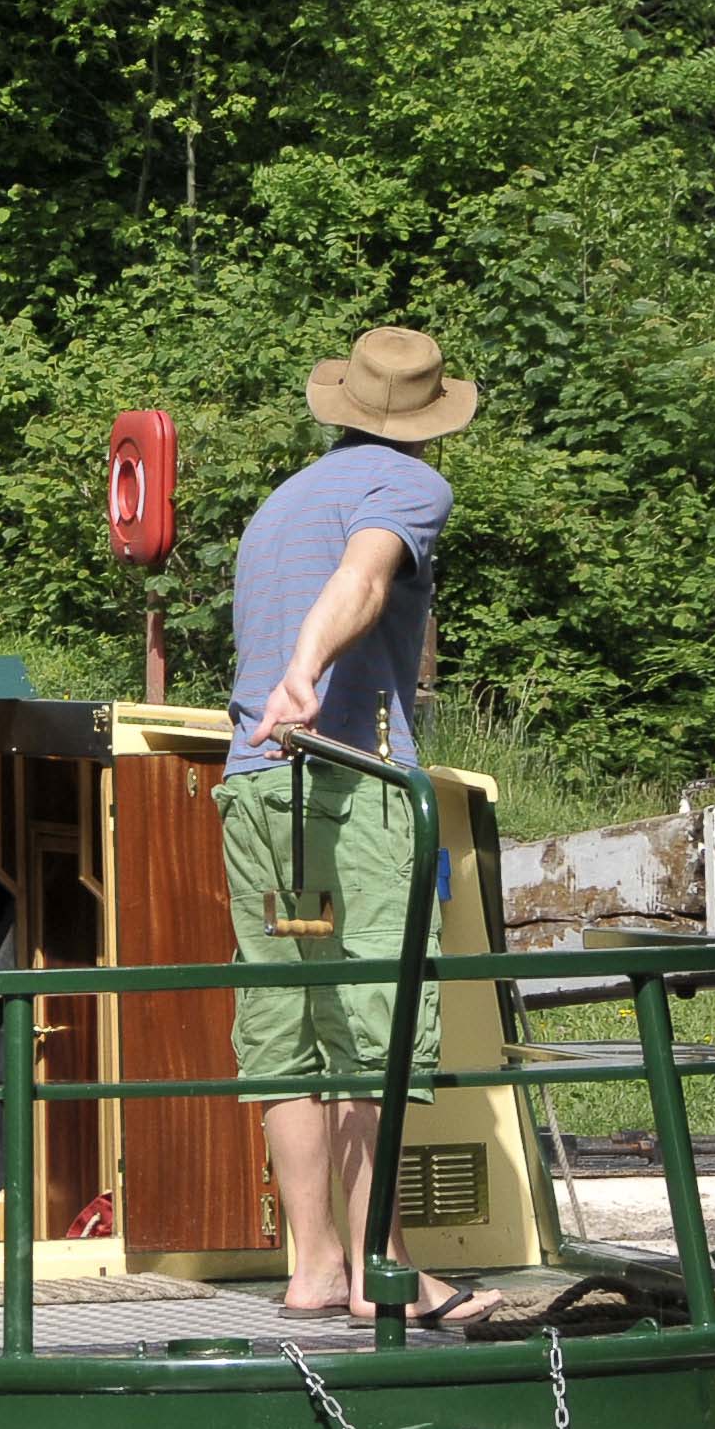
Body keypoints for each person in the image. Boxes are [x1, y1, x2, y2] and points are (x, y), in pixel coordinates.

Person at [218, 324, 488, 1327]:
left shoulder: (279, 504)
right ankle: (394, 1275)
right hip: (353, 778)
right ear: (427, 422)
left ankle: (313, 1265)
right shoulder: (412, 489)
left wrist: (281, 688)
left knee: (286, 1022)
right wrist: (310, 668)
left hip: (251, 783)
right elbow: (366, 578)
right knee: (378, 1025)